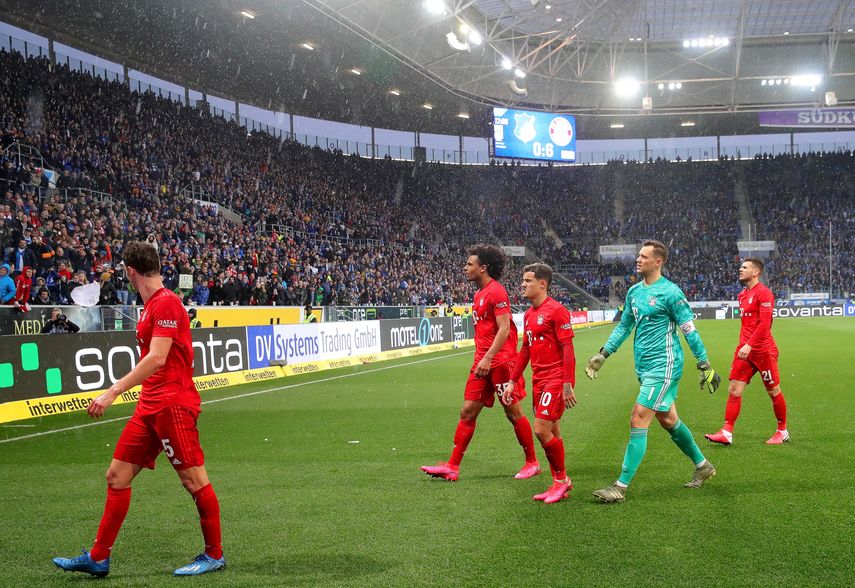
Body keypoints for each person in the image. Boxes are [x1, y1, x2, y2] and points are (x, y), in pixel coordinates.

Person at [53, 241, 225, 577]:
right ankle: (99, 557)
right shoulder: (152, 306)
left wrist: (112, 392)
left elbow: (158, 358)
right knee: (116, 476)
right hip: (150, 404)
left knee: (193, 481)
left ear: (130, 272)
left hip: (173, 404)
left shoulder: (166, 305)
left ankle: (214, 554)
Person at [585, 240, 721, 503]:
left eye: (644, 256)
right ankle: (703, 466)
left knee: (638, 417)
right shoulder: (634, 292)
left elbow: (689, 329)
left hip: (665, 365)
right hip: (644, 367)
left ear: (658, 262)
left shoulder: (671, 292)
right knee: (668, 420)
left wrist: (703, 363)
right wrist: (604, 353)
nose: (638, 259)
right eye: (638, 255)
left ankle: (620, 487)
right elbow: (624, 326)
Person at [421, 244, 539, 482]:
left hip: (500, 362)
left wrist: (488, 357)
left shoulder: (496, 292)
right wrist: (482, 358)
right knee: (467, 411)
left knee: (512, 411)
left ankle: (532, 462)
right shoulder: (478, 294)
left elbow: (505, 329)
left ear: (483, 268)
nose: (465, 268)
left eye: (469, 264)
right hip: (482, 363)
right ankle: (452, 466)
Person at [503, 263, 577, 504]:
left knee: (541, 430)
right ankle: (559, 481)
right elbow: (525, 349)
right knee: (553, 431)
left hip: (555, 379)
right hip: (538, 379)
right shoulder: (529, 314)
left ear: (542, 284)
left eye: (528, 280)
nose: (523, 284)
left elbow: (568, 350)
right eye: (523, 280)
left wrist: (567, 383)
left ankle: (562, 480)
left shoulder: (557, 311)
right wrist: (513, 380)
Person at [705, 258, 789, 445]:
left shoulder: (764, 294)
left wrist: (749, 344)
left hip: (763, 350)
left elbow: (765, 324)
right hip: (744, 350)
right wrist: (745, 345)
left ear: (756, 272)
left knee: (773, 390)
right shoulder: (742, 295)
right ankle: (726, 432)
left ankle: (782, 431)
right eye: (740, 267)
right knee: (734, 389)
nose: (740, 269)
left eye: (744, 267)